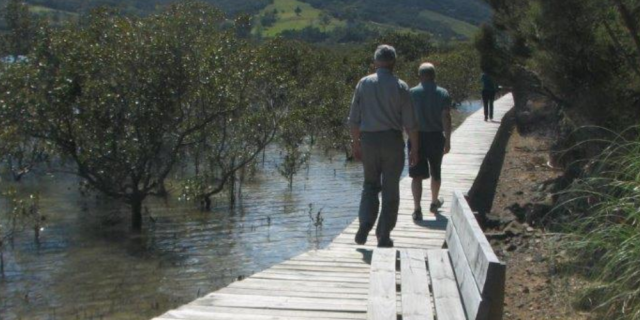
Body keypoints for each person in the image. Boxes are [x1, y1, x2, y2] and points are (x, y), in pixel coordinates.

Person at [348, 45, 419, 248]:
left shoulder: (363, 83)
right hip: (392, 142)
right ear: (393, 62)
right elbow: (411, 123)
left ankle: (365, 222)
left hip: (369, 141)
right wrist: (415, 148)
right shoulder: (401, 86)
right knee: (391, 189)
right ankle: (384, 234)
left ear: (375, 62)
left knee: (370, 185)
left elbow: (354, 119)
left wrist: (356, 143)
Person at [409, 63, 452, 220]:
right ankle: (434, 202)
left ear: (420, 75)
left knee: (416, 175)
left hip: (416, 137)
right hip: (435, 137)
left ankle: (417, 209)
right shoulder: (443, 93)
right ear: (434, 75)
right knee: (436, 171)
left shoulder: (412, 93)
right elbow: (446, 117)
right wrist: (447, 140)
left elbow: (406, 118)